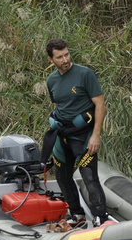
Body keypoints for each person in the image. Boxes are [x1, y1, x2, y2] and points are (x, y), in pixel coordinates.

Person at [43, 38, 109, 225]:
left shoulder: (85, 74)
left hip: (83, 134)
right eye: (59, 57)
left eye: (66, 54)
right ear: (51, 60)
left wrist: (96, 135)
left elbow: (100, 105)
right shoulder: (51, 80)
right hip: (62, 135)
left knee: (89, 177)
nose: (65, 60)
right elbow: (58, 104)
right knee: (63, 177)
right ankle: (77, 214)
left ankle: (101, 219)